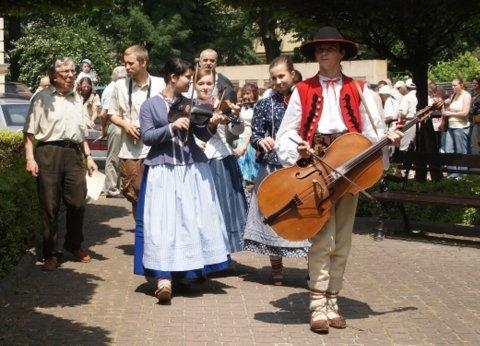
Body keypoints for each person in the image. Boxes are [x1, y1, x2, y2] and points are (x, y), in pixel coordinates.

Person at [275, 26, 402, 334]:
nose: (324, 53)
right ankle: (317, 305)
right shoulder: (302, 91)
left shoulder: (360, 90)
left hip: (350, 165)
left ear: (342, 53)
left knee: (342, 238)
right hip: (316, 168)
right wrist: (299, 146)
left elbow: (372, 134)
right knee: (321, 237)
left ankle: (333, 300)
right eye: (319, 49)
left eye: (330, 48)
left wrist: (388, 140)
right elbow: (286, 132)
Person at [134, 57, 230, 304]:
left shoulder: (191, 103)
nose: (192, 81)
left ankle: (187, 272)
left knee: (188, 221)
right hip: (162, 170)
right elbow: (147, 137)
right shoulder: (150, 106)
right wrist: (171, 127)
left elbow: (200, 133)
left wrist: (212, 125)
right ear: (173, 77)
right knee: (163, 223)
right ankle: (163, 278)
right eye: (188, 76)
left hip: (189, 169)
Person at [23, 56, 98, 271]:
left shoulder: (77, 99)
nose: (70, 74)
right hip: (48, 153)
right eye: (65, 71)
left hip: (73, 154)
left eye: (72, 71)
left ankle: (74, 244)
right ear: (54, 76)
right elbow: (28, 133)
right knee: (50, 205)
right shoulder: (41, 98)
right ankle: (51, 253)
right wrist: (30, 158)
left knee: (77, 203)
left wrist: (89, 156)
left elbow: (81, 133)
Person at [243, 55, 310, 287]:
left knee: (306, 215)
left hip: (301, 167)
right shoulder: (265, 103)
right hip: (271, 166)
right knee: (272, 215)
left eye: (282, 76)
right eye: (274, 77)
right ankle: (277, 269)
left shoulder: (307, 99)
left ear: (292, 74)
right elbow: (256, 134)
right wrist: (262, 142)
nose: (278, 81)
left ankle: (315, 267)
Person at [108, 44, 166, 218]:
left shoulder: (160, 83)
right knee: (134, 194)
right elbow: (112, 114)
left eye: (130, 63)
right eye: (125, 63)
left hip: (156, 147)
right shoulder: (119, 85)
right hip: (131, 149)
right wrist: (126, 125)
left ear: (143, 62)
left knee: (157, 193)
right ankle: (140, 233)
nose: (126, 67)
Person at [194, 67, 247, 253]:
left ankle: (225, 253)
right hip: (198, 161)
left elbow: (237, 132)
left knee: (226, 205)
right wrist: (195, 139)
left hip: (222, 158)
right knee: (202, 208)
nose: (205, 87)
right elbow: (185, 133)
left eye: (209, 83)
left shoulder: (223, 104)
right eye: (201, 83)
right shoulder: (189, 106)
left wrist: (236, 117)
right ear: (194, 84)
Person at [101, 66, 127, 198]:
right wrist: (103, 129)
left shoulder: (112, 87)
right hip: (115, 125)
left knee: (117, 157)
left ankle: (115, 187)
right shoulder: (113, 88)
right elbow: (104, 113)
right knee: (114, 158)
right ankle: (112, 189)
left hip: (118, 124)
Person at [442, 76, 471, 179]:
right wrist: (446, 104)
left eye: (455, 85)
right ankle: (453, 172)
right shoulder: (453, 95)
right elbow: (449, 109)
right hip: (451, 126)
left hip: (461, 126)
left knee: (460, 151)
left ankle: (462, 175)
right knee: (448, 149)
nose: (453, 87)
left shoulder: (466, 95)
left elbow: (465, 113)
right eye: (452, 85)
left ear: (461, 85)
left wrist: (450, 113)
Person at [236, 83, 260, 185]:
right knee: (240, 167)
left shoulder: (257, 106)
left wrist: (245, 144)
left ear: (254, 94)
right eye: (244, 94)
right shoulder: (240, 106)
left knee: (252, 168)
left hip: (250, 139)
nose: (245, 96)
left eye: (248, 93)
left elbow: (253, 127)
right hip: (239, 137)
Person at [468, 77, 480, 154]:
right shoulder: (471, 92)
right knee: (473, 139)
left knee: (475, 140)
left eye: (476, 83)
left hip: (478, 119)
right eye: (473, 83)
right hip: (471, 118)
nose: (474, 84)